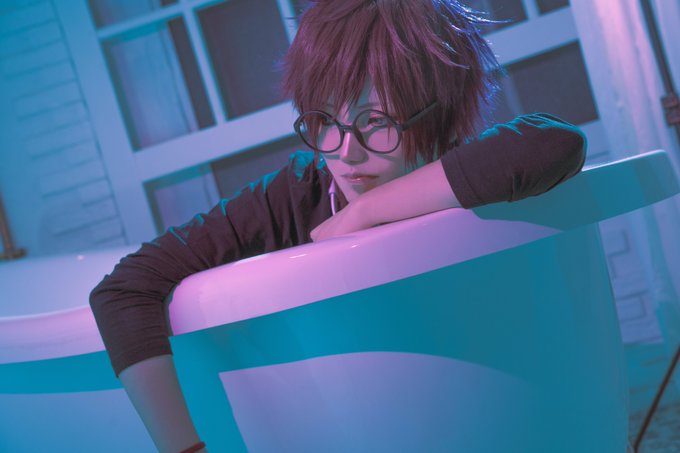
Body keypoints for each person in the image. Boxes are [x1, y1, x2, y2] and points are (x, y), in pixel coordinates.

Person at [89, 1, 586, 452]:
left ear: (442, 117)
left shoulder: (462, 163)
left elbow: (555, 143)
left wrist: (368, 210)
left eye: (377, 121)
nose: (346, 153)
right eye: (325, 120)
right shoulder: (296, 193)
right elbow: (124, 289)